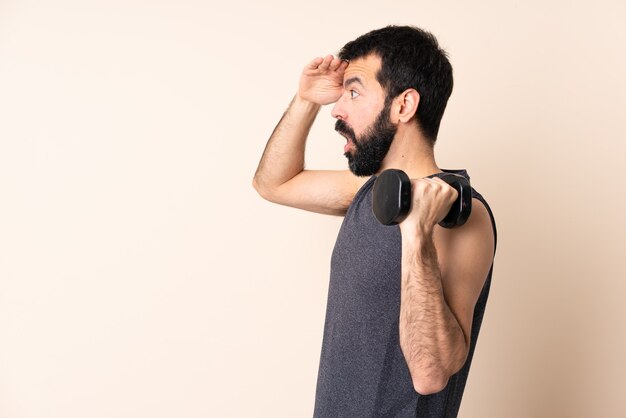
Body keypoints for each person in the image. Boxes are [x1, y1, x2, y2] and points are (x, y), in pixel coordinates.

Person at [253, 25, 497, 417]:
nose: (338, 108)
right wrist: (305, 101)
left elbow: (430, 374)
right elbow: (273, 183)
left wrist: (416, 233)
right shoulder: (372, 193)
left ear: (403, 105)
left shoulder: (459, 215)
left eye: (353, 91)